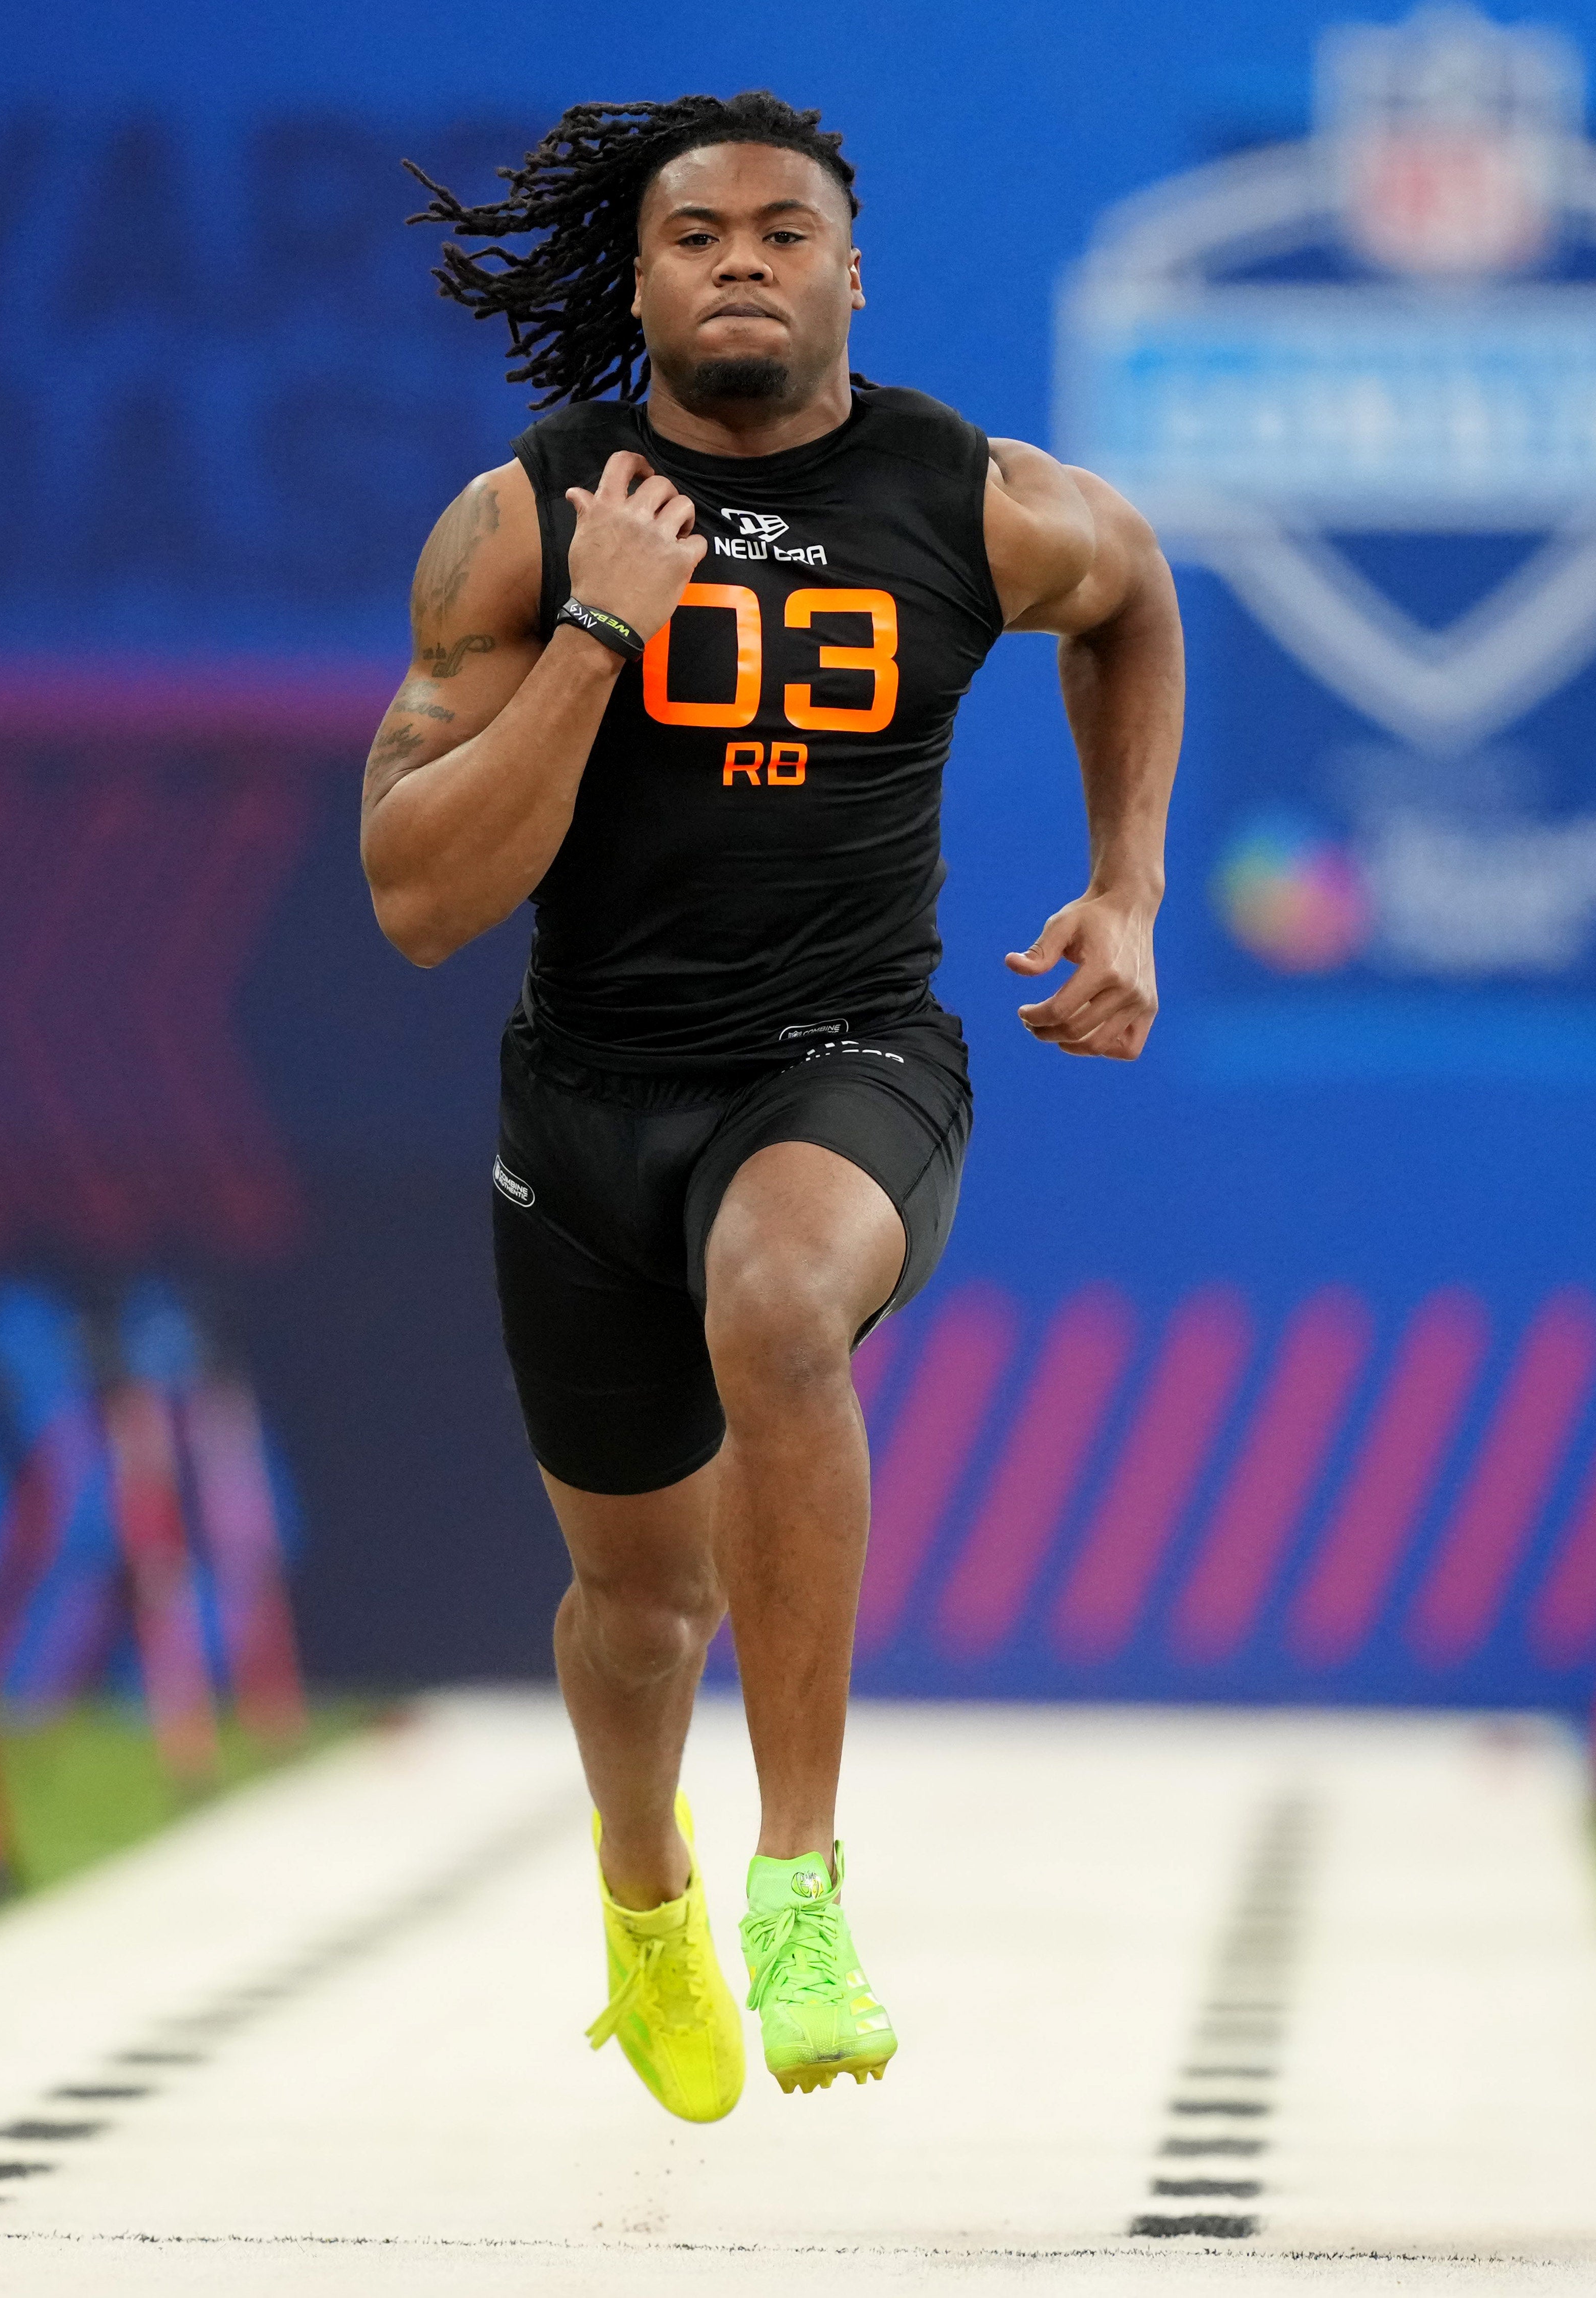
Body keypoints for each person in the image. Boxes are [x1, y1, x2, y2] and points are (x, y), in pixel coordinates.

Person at [369, 92, 1181, 2123]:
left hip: (847, 1055)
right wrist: (592, 642)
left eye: (782, 231)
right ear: (638, 282)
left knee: (779, 1301)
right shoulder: (524, 519)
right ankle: (645, 1904)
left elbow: (1137, 591)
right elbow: (416, 898)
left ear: (848, 273)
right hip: (583, 1104)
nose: (741, 260)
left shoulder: (968, 497)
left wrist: (1133, 886)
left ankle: (797, 1876)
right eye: (697, 234)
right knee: (635, 1605)